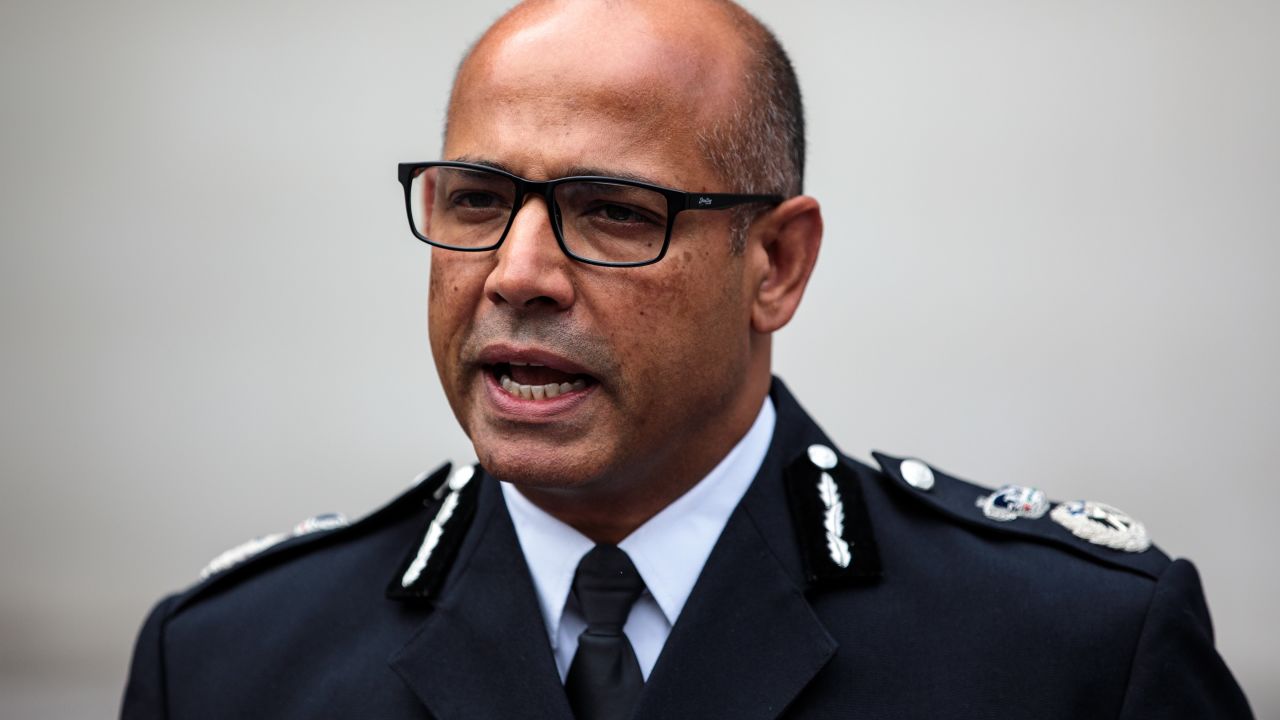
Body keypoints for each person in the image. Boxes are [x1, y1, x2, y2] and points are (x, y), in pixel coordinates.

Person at [121, 0, 1254, 718]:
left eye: (612, 211)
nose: (516, 273)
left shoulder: (1068, 657)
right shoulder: (228, 665)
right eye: (473, 200)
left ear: (773, 263)